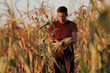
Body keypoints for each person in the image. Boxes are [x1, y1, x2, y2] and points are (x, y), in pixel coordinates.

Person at [49, 6, 78, 73]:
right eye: (59, 16)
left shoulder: (72, 25)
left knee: (70, 70)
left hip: (68, 51)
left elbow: (75, 40)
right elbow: (50, 38)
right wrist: (53, 40)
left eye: (63, 16)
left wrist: (65, 44)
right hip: (57, 51)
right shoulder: (54, 24)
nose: (61, 18)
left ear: (66, 15)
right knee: (55, 70)